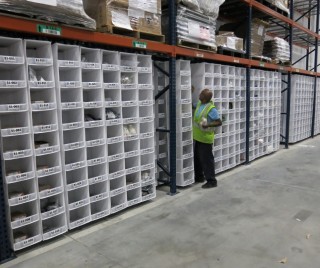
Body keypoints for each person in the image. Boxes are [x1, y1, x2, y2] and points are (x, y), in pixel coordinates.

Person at [193, 88, 222, 188]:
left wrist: (208, 124)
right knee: (198, 158)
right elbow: (192, 106)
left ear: (206, 98)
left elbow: (219, 122)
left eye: (202, 94)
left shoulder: (211, 108)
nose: (199, 95)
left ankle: (212, 181)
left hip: (205, 138)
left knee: (207, 160)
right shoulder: (199, 104)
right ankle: (199, 177)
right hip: (198, 137)